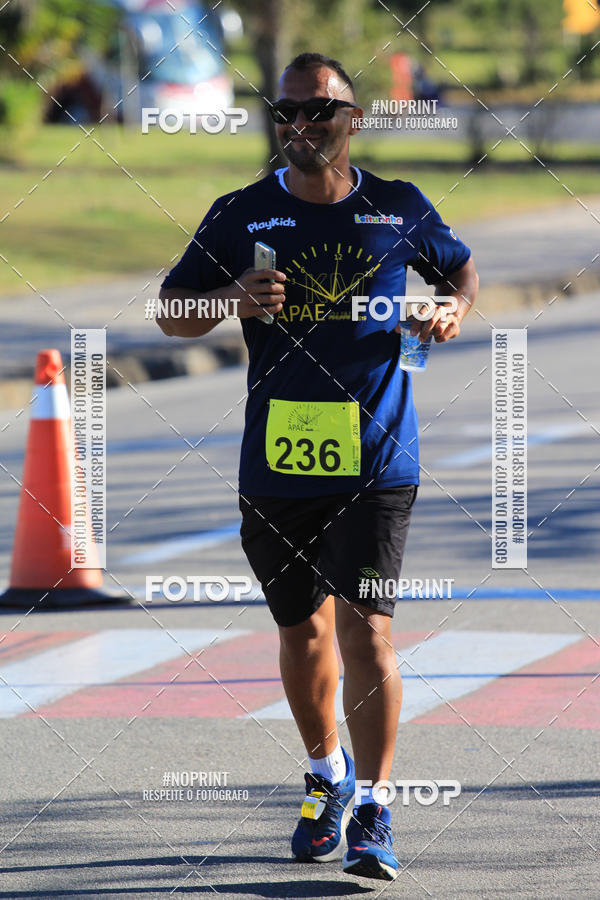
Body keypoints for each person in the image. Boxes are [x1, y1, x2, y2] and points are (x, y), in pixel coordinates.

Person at [158, 51, 479, 882]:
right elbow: (171, 312)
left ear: (353, 119)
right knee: (302, 631)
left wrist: (450, 306)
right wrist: (229, 300)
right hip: (277, 463)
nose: (301, 127)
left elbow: (460, 268)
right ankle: (325, 773)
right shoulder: (240, 213)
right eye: (286, 113)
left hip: (378, 458)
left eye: (319, 114)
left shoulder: (397, 207)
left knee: (368, 630)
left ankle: (375, 804)